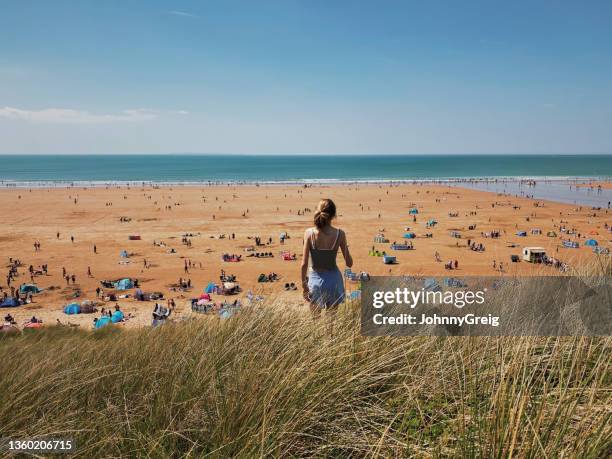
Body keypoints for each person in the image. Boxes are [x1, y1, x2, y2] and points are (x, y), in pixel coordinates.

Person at [301, 199, 353, 314]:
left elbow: (304, 263)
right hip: (333, 280)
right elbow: (349, 263)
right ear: (333, 215)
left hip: (314, 279)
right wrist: (344, 246)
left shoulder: (309, 233)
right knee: (331, 323)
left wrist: (304, 286)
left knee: (315, 321)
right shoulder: (340, 234)